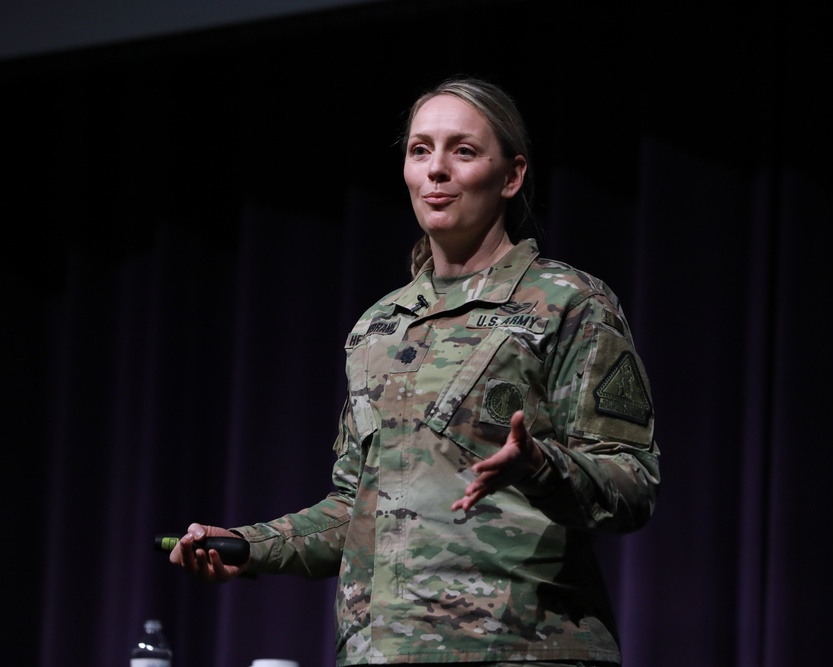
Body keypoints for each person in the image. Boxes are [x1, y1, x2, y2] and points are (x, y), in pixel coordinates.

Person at [170, 75, 661, 667]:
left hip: (524, 650)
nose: (437, 170)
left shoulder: (568, 303)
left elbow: (632, 482)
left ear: (511, 176)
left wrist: (539, 465)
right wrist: (249, 546)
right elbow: (354, 508)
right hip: (383, 653)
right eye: (420, 149)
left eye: (464, 150)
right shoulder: (380, 327)